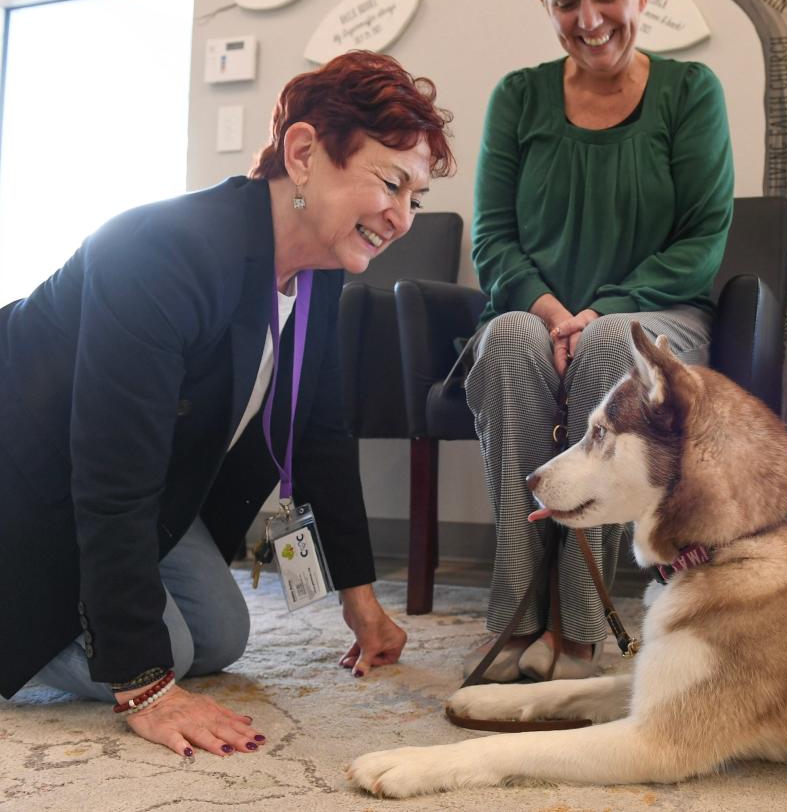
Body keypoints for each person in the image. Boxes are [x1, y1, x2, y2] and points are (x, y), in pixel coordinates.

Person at [0, 51, 454, 757]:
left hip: (144, 485)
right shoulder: (164, 249)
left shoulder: (319, 271)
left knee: (221, 635)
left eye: (415, 199)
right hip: (31, 477)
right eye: (391, 183)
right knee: (163, 655)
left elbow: (321, 433)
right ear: (304, 152)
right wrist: (143, 683)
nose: (402, 218)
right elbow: (111, 471)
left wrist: (358, 601)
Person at [464, 0, 734, 681]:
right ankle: (518, 612)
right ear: (545, 4)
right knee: (510, 339)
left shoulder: (690, 92)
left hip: (657, 316)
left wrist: (602, 311)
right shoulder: (517, 98)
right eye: (565, 1)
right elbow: (493, 240)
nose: (588, 20)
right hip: (534, 316)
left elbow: (701, 240)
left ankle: (580, 626)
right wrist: (551, 313)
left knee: (614, 346)